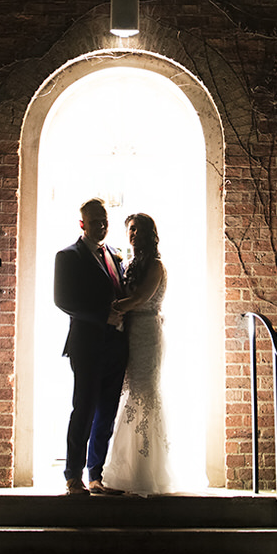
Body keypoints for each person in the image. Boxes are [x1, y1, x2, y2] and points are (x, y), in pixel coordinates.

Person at [53, 197, 129, 495]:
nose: (101, 225)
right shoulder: (68, 256)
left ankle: (96, 476)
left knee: (107, 412)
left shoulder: (114, 254)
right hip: (87, 345)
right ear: (82, 224)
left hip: (117, 345)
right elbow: (63, 300)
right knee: (83, 409)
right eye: (95, 221)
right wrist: (103, 316)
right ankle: (73, 476)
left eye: (105, 220)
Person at [103, 212, 175, 494]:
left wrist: (110, 310)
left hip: (148, 334)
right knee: (130, 393)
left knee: (144, 392)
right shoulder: (129, 264)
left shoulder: (156, 265)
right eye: (129, 230)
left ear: (148, 233)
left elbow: (141, 298)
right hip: (129, 334)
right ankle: (126, 465)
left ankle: (146, 470)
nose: (133, 234)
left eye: (137, 230)